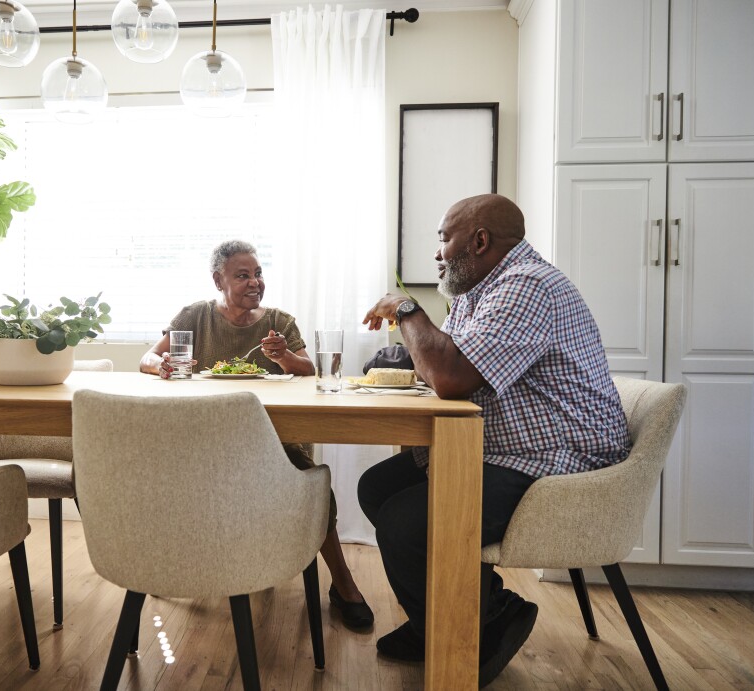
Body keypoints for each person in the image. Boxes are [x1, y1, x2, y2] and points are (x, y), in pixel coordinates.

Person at [359, 194, 630, 685]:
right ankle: (460, 617)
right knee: (377, 488)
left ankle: (477, 626)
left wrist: (405, 308)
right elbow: (449, 362)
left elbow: (451, 376)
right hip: (507, 450)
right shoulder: (480, 292)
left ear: (480, 241)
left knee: (404, 522)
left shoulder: (527, 286)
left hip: (559, 461)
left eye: (444, 239)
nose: (437, 253)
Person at [140, 240, 375, 630]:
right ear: (219, 280)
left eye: (258, 274)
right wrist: (160, 364)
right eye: (243, 275)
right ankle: (168, 567)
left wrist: (283, 357)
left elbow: (309, 373)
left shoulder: (279, 322)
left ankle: (344, 584)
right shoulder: (195, 316)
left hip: (273, 442)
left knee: (307, 480)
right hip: (204, 442)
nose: (255, 283)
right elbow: (149, 357)